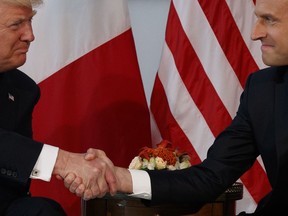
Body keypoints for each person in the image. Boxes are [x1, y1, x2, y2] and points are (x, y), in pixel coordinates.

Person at [66, 0, 288, 215]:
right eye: (258, 19)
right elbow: (210, 178)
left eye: (270, 20)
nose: (255, 33)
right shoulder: (263, 90)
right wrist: (121, 177)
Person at [0, 0, 117, 215]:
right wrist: (62, 162)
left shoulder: (22, 89)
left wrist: (84, 171)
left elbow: (12, 185)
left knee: (42, 211)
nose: (30, 35)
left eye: (30, 21)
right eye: (16, 24)